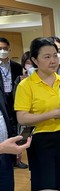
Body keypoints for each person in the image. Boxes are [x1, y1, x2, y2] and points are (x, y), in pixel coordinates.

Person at [14, 37, 60, 191]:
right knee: (46, 185)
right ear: (35, 59)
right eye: (47, 57)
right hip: (41, 140)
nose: (53, 60)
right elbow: (21, 118)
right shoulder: (26, 85)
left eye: (55, 55)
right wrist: (52, 114)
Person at [0, 37, 28, 169]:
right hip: (1, 102)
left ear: (9, 49)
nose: (3, 51)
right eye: (0, 49)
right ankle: (6, 155)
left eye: (5, 48)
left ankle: (17, 158)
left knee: (17, 131)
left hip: (14, 99)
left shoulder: (16, 66)